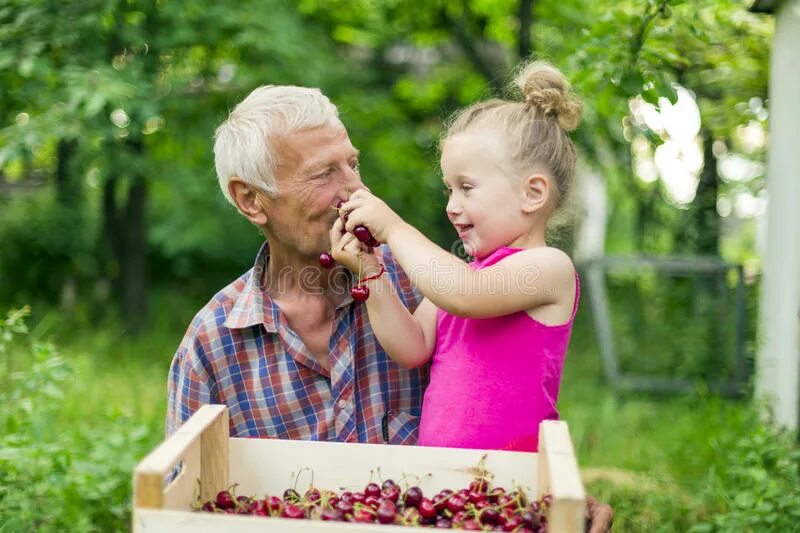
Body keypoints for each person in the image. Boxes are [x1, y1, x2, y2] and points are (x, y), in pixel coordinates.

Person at [166, 82, 613, 531]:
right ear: (250, 199)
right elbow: (184, 505)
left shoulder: (435, 281)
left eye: (353, 164)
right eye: (324, 174)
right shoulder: (212, 346)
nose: (354, 188)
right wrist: (372, 273)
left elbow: (507, 398)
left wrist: (563, 498)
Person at [332, 61, 581, 453]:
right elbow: (411, 347)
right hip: (445, 482)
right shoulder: (465, 277)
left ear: (532, 193)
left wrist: (394, 228)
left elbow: (465, 294)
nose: (451, 206)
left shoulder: (549, 268)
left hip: (513, 485)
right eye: (449, 189)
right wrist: (370, 270)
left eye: (466, 187)